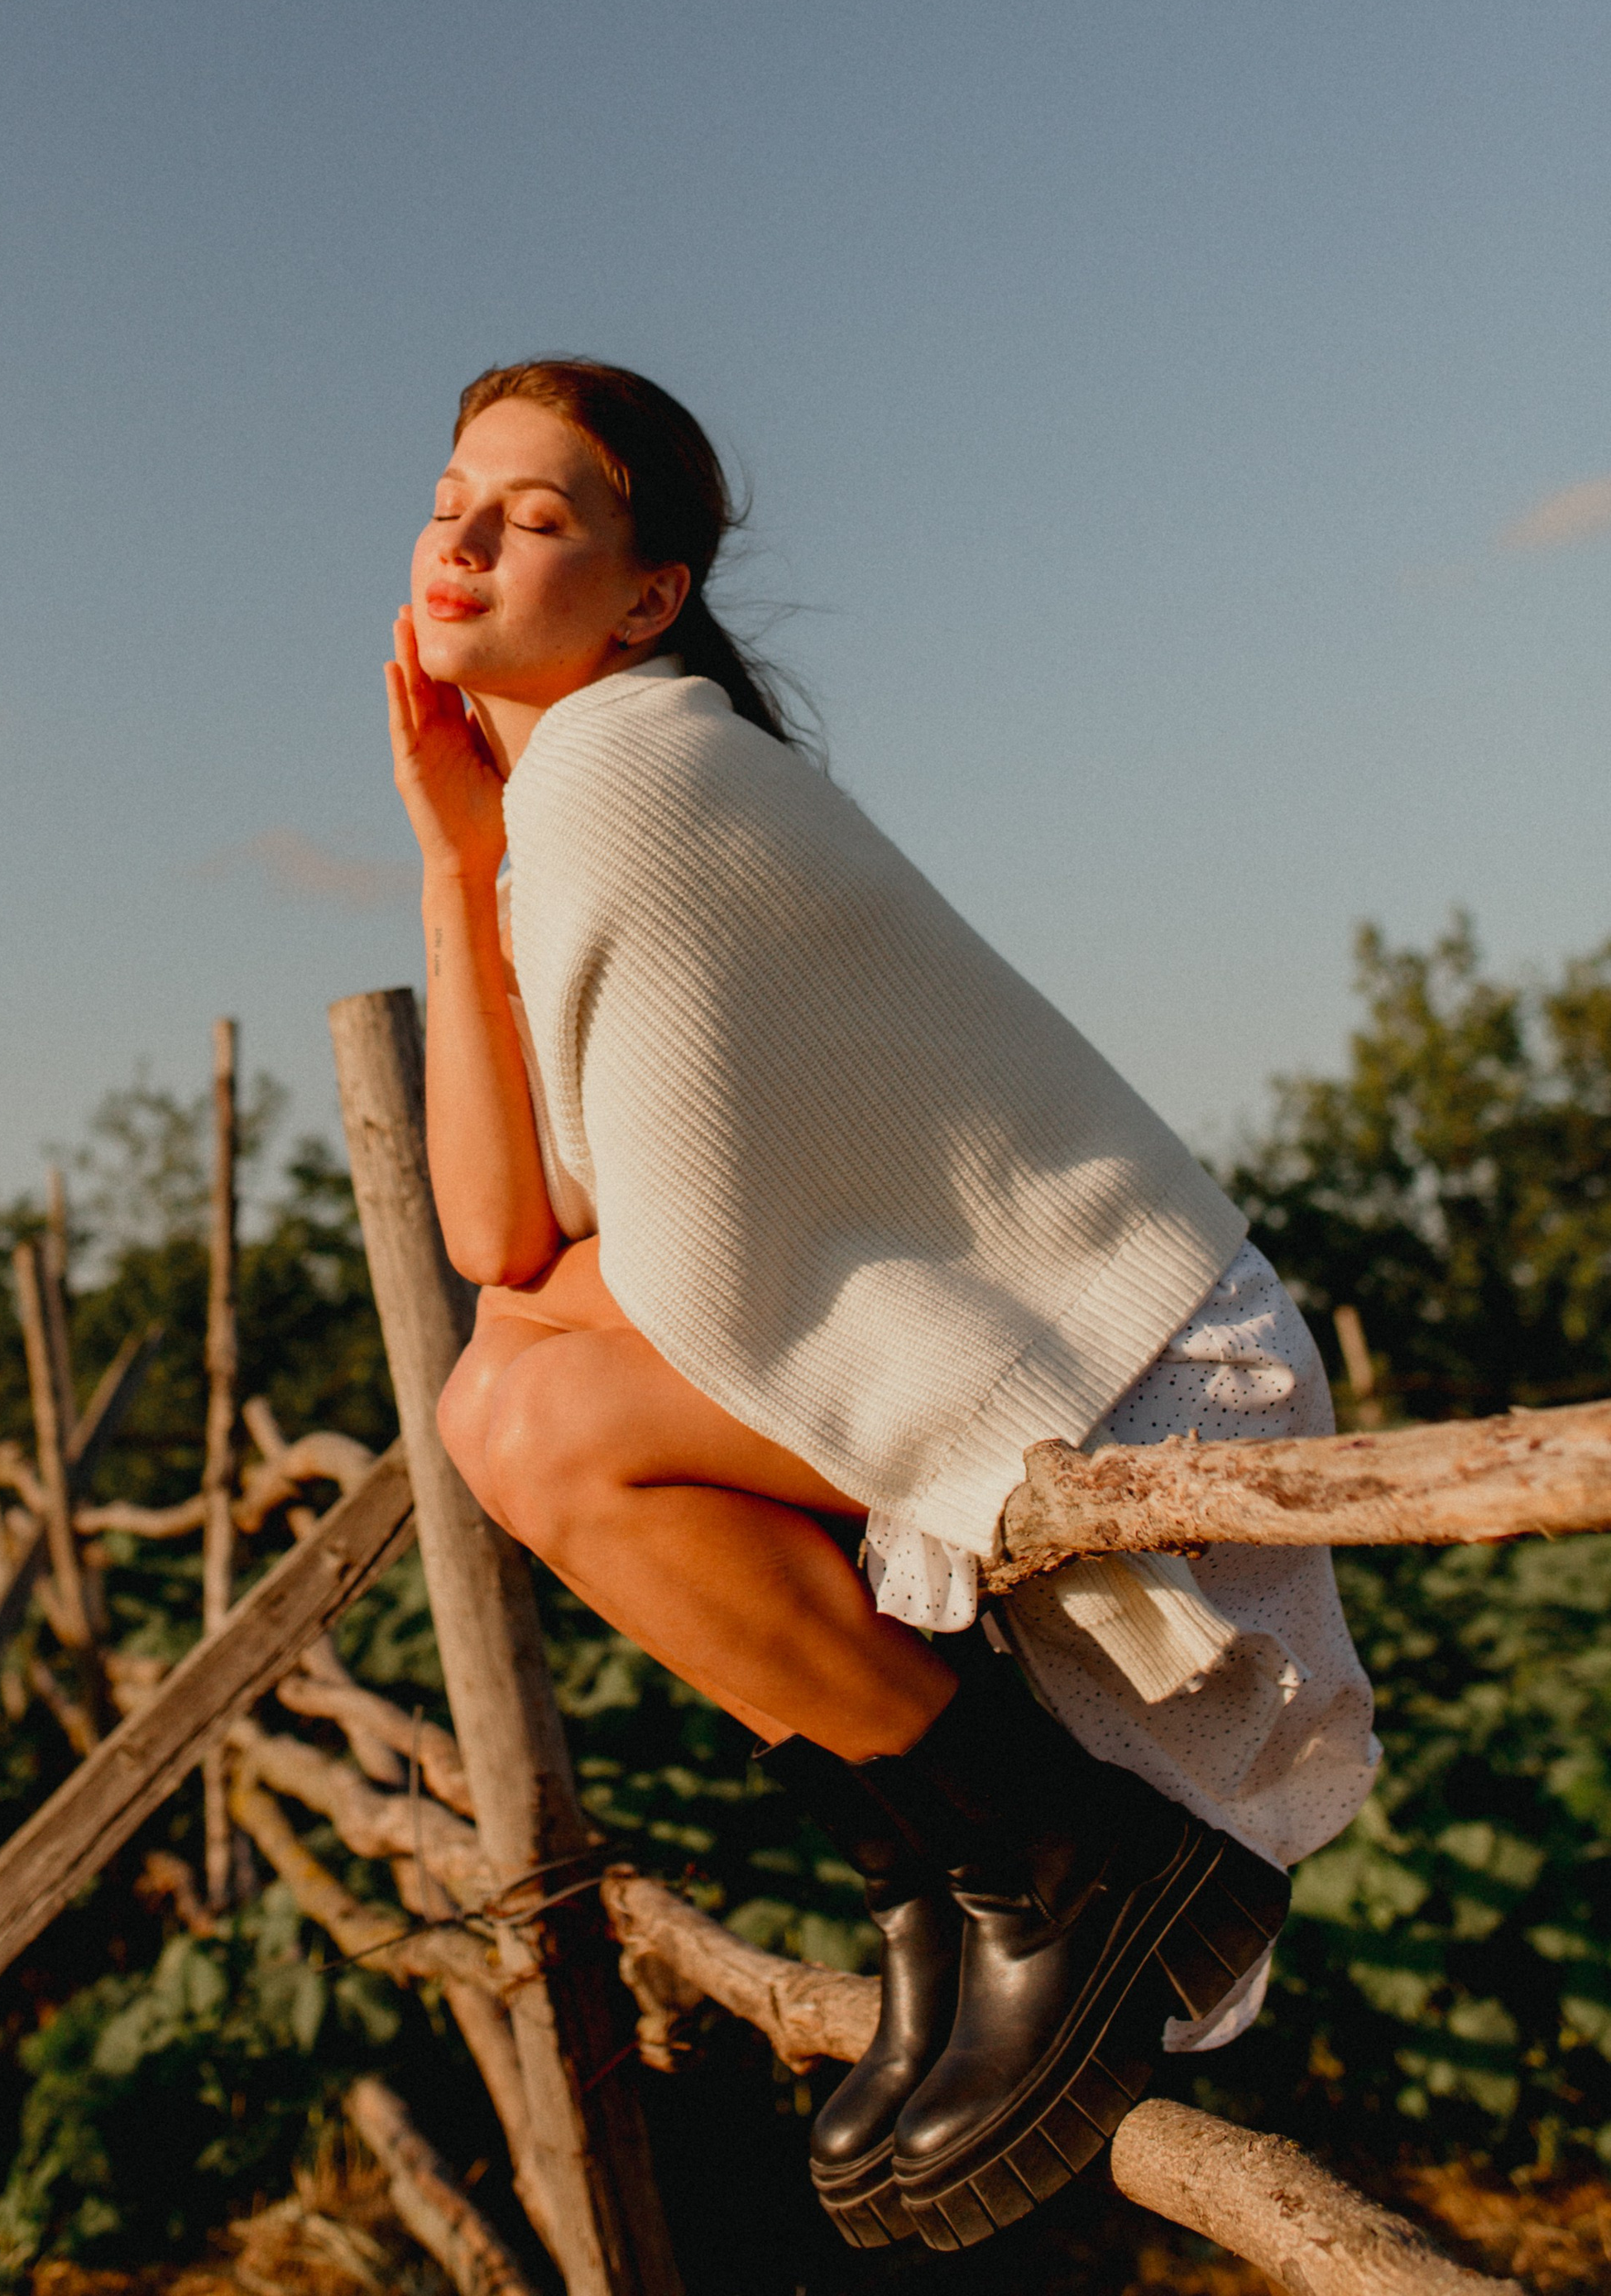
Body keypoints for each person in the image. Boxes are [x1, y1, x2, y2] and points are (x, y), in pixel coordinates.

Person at [386, 357, 1376, 2256]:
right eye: (449, 498)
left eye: (531, 513)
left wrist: (486, 838)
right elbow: (499, 1238)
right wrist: (447, 854)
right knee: (506, 1387)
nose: (462, 538)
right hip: (1055, 1334)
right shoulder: (569, 797)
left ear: (647, 592)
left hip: (1146, 1356)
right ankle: (951, 1881)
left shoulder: (632, 762)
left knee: (524, 1409)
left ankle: (1056, 1860)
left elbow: (537, 1256)